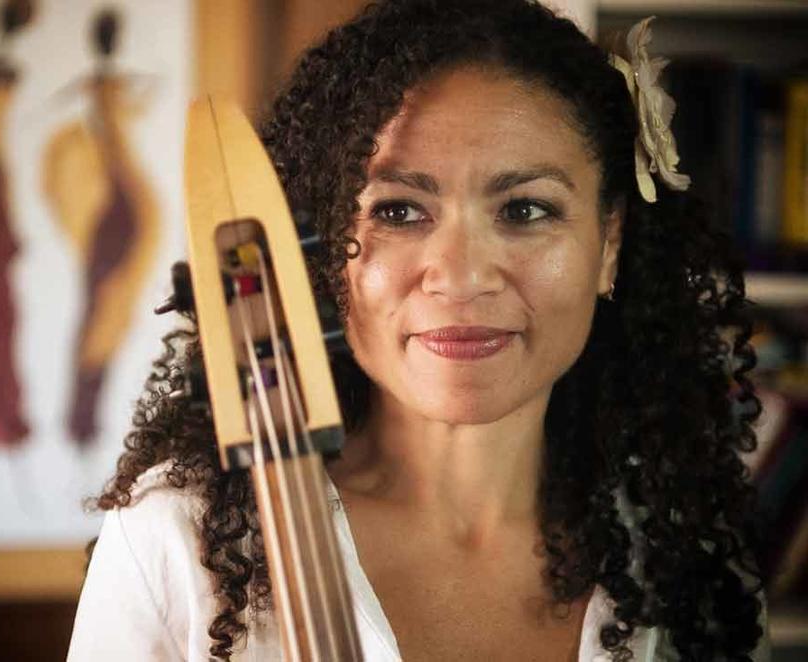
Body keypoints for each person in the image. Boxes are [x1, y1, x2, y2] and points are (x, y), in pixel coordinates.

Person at [67, 1, 771, 659]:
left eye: (525, 210)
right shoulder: (177, 545)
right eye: (398, 211)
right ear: (321, 251)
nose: (461, 276)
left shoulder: (687, 567)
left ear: (609, 246)